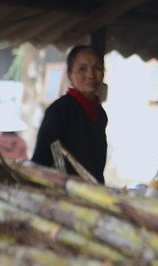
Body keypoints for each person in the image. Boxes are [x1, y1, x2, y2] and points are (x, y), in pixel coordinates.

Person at [32, 45, 107, 184]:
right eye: (82, 69)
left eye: (97, 68)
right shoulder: (60, 110)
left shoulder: (100, 114)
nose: (90, 75)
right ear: (70, 76)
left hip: (93, 191)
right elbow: (41, 159)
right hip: (65, 192)